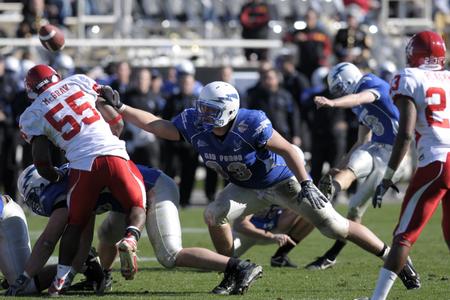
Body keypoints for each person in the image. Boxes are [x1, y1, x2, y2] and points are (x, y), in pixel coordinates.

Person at [103, 80, 420, 294]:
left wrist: (307, 183)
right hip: (244, 187)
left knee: (336, 228)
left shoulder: (250, 122)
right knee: (214, 214)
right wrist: (122, 109)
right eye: (202, 108)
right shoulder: (194, 122)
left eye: (210, 111)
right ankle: (232, 270)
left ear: (228, 109)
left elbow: (290, 150)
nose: (202, 115)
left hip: (282, 183)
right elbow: (158, 125)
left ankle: (394, 257)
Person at [18, 65, 146, 295]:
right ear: (56, 76)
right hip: (115, 155)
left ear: (31, 91)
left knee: (75, 224)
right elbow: (116, 121)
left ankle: (60, 279)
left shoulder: (32, 113)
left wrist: (56, 176)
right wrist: (110, 135)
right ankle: (130, 238)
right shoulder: (78, 82)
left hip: (82, 166)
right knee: (137, 205)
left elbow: (41, 161)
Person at [303, 62, 411, 275]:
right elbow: (362, 141)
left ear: (350, 79)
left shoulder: (370, 83)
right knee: (358, 158)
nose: (339, 92)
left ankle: (333, 253)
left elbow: (362, 97)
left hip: (396, 156)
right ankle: (330, 191)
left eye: (339, 87)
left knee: (354, 208)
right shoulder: (356, 104)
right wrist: (339, 167)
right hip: (375, 148)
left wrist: (333, 103)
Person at [367, 31, 449, 300]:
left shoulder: (410, 77)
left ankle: (378, 298)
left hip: (437, 160)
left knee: (403, 235)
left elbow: (405, 133)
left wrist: (389, 175)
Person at [233, 206, 314, 268]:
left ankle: (279, 257)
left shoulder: (288, 192)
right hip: (245, 234)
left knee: (312, 215)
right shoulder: (256, 190)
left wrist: (299, 207)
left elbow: (282, 225)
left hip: (274, 232)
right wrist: (271, 236)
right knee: (225, 259)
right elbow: (240, 225)